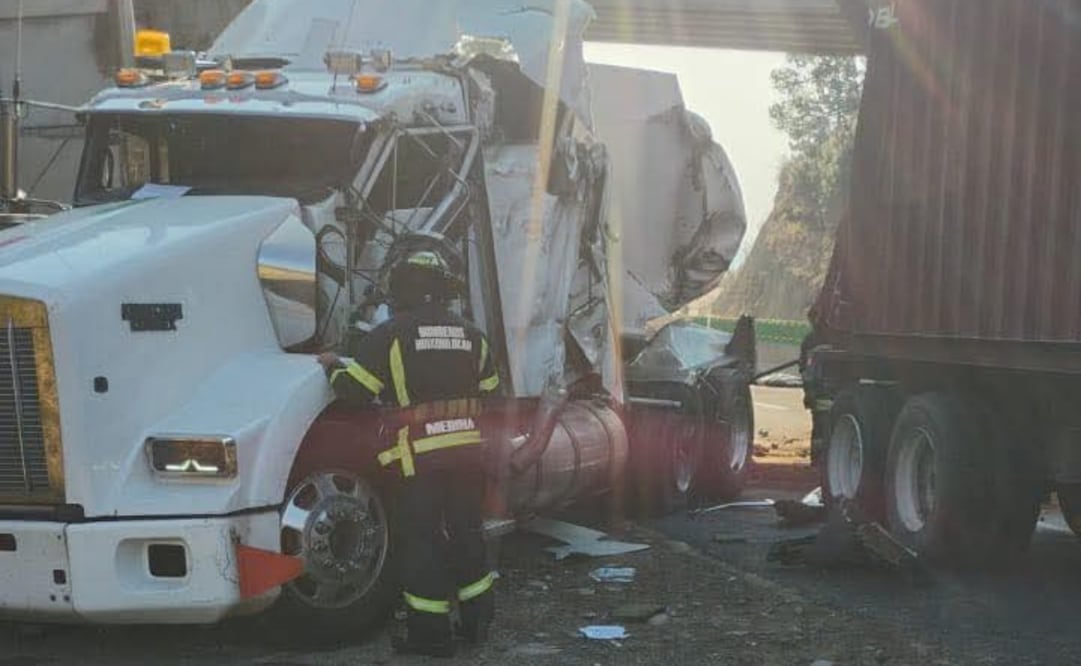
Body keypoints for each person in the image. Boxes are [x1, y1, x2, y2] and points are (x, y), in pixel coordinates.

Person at [317, 248, 501, 658]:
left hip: (418, 457)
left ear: (400, 288)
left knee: (421, 541)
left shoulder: (389, 334)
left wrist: (331, 365)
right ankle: (477, 622)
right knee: (468, 533)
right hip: (469, 453)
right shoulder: (473, 335)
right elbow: (492, 394)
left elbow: (356, 390)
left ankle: (431, 635)